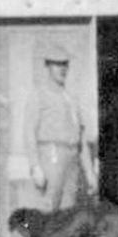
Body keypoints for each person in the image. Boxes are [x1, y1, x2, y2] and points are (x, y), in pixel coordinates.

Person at [25, 44, 96, 211]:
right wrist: (35, 166)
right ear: (48, 66)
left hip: (72, 160)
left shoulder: (71, 98)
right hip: (51, 156)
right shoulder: (39, 95)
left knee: (68, 213)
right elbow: (29, 132)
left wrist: (90, 173)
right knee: (48, 209)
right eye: (57, 64)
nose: (62, 69)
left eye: (65, 64)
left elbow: (81, 139)